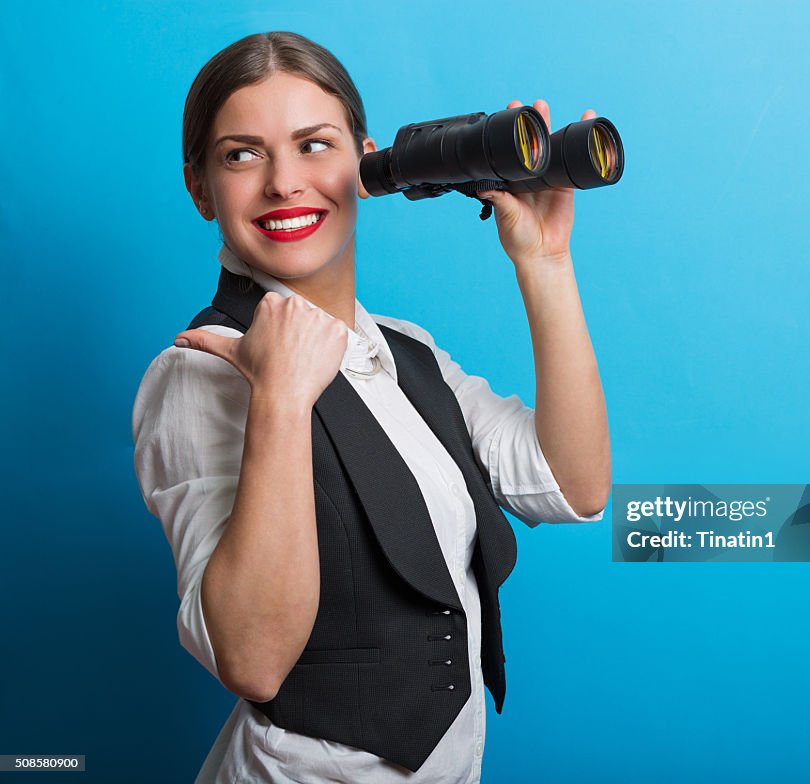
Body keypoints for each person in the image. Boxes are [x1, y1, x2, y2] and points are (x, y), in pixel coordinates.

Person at [131, 31, 611, 784]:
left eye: (315, 145)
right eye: (242, 154)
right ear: (200, 188)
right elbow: (251, 660)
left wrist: (544, 262)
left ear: (365, 161)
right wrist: (282, 398)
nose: (285, 182)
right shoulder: (201, 371)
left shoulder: (404, 351)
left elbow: (572, 486)